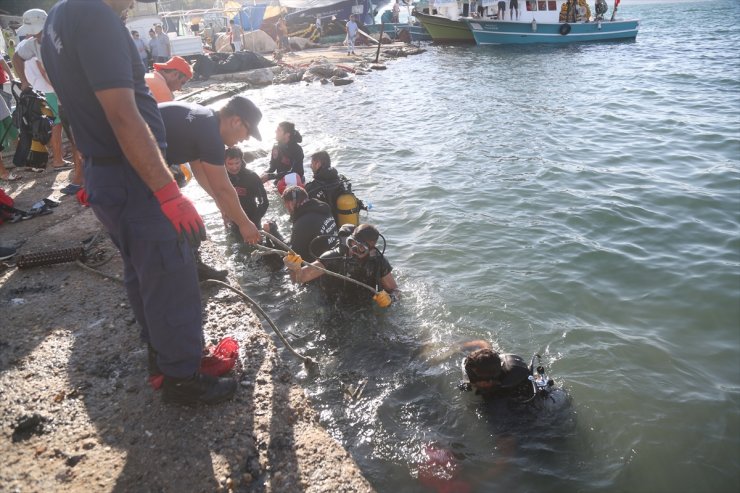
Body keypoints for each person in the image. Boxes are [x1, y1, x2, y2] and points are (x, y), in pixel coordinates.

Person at [41, 0, 236, 406]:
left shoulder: (58, 18)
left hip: (106, 171)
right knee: (170, 272)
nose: (133, 3)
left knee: (140, 271)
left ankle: (162, 357)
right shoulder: (97, 18)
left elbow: (73, 107)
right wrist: (168, 193)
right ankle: (183, 377)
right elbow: (123, 115)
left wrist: (86, 171)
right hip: (132, 176)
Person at [157, 97, 263, 248]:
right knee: (179, 221)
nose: (246, 139)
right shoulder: (212, 136)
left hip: (134, 150)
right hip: (124, 156)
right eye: (248, 133)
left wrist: (220, 203)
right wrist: (244, 224)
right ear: (236, 122)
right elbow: (223, 188)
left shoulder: (206, 119)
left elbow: (198, 167)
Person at [283, 223, 398, 307]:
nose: (353, 250)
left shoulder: (378, 262)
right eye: (352, 243)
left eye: (361, 248)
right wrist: (294, 268)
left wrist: (390, 299)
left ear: (371, 250)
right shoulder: (333, 257)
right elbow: (299, 278)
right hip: (332, 305)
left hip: (363, 307)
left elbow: (395, 290)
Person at [279, 185, 337, 262]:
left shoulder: (303, 222)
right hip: (334, 256)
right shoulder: (323, 208)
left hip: (318, 267)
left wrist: (273, 232)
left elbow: (292, 253)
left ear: (291, 203)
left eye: (286, 204)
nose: (286, 207)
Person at [460, 340, 532, 398]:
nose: (469, 380)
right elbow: (481, 343)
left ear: (488, 382)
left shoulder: (505, 392)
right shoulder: (490, 358)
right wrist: (456, 349)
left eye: (472, 377)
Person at [225, 146, 268, 228]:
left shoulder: (252, 177)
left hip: (251, 218)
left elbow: (264, 202)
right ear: (224, 163)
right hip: (233, 221)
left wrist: (253, 222)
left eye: (237, 163)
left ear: (241, 161)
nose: (234, 167)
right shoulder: (222, 178)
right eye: (230, 164)